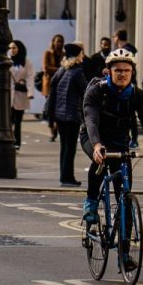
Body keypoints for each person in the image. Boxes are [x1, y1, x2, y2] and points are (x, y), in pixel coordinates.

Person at [78, 46, 143, 273]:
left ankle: (124, 254)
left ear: (132, 73)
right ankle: (90, 203)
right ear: (109, 71)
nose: (122, 74)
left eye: (127, 71)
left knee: (124, 199)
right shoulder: (96, 92)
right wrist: (97, 145)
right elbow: (91, 121)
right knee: (99, 162)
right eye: (118, 70)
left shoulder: (137, 95)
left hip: (120, 142)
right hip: (93, 136)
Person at [46, 43, 89, 186]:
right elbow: (86, 91)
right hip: (71, 115)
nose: (83, 56)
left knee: (64, 147)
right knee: (70, 148)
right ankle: (67, 177)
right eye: (81, 54)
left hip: (60, 115)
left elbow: (52, 93)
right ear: (77, 56)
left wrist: (51, 116)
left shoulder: (61, 70)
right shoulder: (77, 72)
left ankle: (64, 175)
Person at [40, 34, 66, 140]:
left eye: (61, 41)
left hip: (61, 84)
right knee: (50, 108)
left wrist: (57, 70)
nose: (59, 43)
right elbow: (46, 68)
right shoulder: (48, 53)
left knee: (58, 108)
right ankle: (52, 129)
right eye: (57, 41)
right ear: (53, 42)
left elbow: (66, 68)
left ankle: (56, 128)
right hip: (49, 84)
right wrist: (60, 70)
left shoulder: (64, 54)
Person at [9, 40, 31, 148]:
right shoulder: (7, 61)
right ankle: (9, 140)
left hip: (20, 93)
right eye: (10, 48)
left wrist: (30, 92)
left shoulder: (26, 62)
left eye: (14, 48)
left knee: (18, 121)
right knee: (8, 120)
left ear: (19, 49)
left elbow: (30, 77)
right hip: (8, 94)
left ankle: (17, 142)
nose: (12, 50)